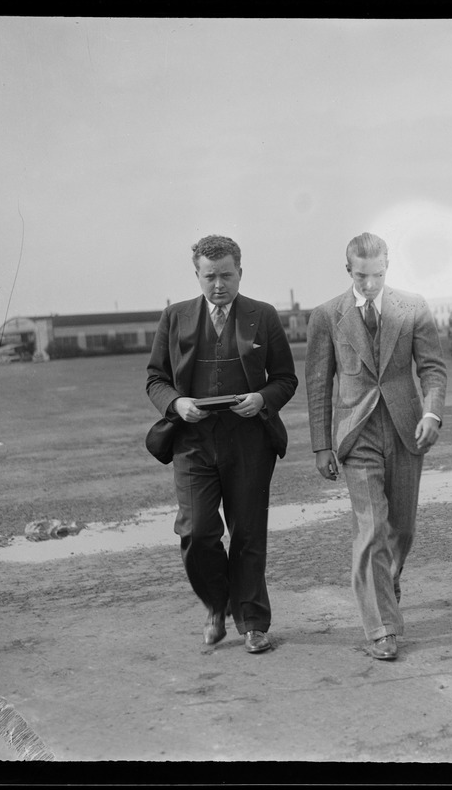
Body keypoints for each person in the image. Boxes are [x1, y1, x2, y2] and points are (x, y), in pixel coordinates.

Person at [146, 235, 298, 653]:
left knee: (248, 533)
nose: (219, 285)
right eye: (209, 276)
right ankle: (216, 604)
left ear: (240, 273)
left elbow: (286, 378)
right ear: (197, 274)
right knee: (196, 531)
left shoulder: (262, 316)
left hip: (249, 441)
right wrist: (177, 402)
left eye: (226, 275)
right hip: (192, 443)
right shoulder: (174, 317)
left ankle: (252, 622)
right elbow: (155, 379)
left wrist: (262, 399)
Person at [306, 232, 447, 661]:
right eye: (362, 276)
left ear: (388, 269)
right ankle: (381, 628)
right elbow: (317, 383)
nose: (371, 284)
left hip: (407, 430)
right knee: (370, 530)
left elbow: (434, 370)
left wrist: (432, 414)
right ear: (348, 270)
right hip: (357, 434)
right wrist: (320, 446)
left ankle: (387, 578)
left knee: (401, 529)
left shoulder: (413, 307)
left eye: (379, 275)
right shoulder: (327, 315)